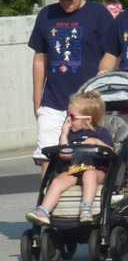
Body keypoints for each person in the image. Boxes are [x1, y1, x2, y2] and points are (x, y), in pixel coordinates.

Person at [28, 0, 117, 166]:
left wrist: (101, 82)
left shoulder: (98, 14)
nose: (66, 2)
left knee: (85, 161)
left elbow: (111, 53)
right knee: (47, 158)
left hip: (87, 103)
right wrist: (37, 101)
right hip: (53, 101)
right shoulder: (46, 15)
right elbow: (40, 58)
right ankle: (47, 196)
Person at [25, 91, 112, 225]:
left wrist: (97, 142)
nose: (68, 121)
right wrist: (64, 134)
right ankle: (43, 211)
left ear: (87, 119)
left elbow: (112, 153)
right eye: (67, 116)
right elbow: (64, 154)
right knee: (58, 181)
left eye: (72, 117)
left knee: (89, 174)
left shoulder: (101, 133)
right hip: (76, 169)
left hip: (97, 171)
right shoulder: (71, 134)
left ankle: (86, 208)